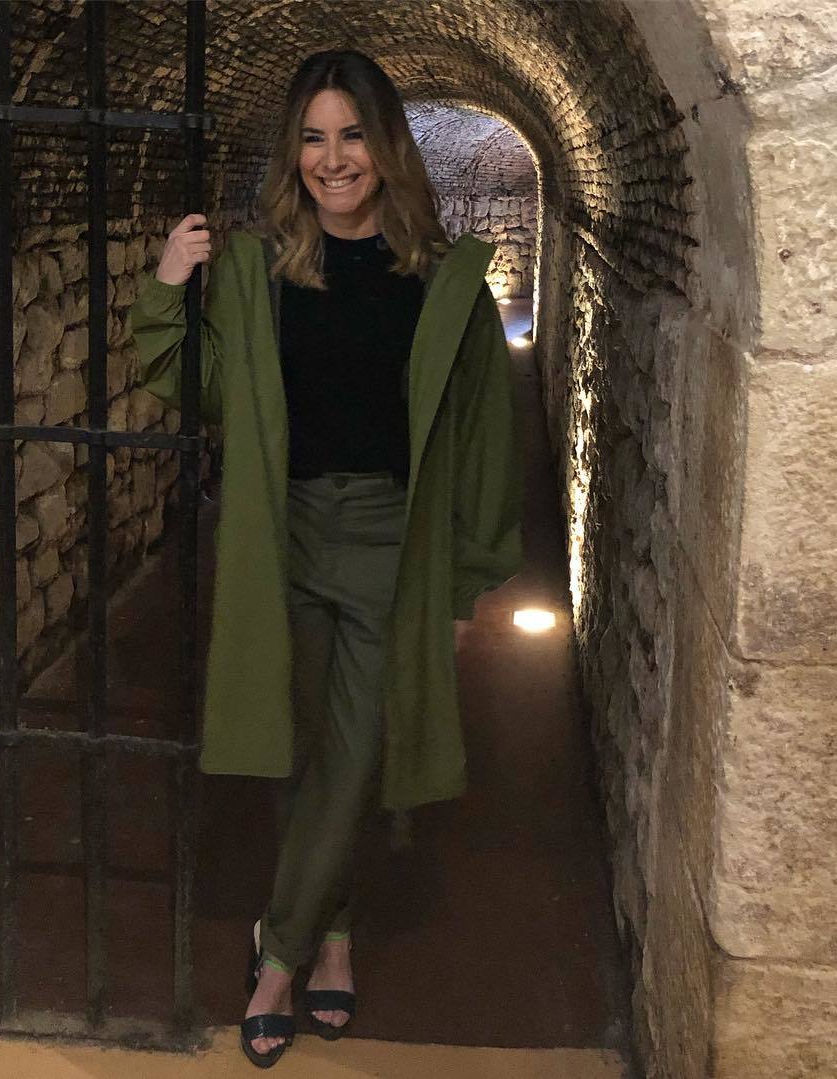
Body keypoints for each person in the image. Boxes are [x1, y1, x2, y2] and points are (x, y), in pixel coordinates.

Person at [130, 48, 522, 1069]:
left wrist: (466, 575)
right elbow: (199, 386)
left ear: (387, 146)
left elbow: (484, 430)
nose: (333, 158)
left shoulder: (443, 280)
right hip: (283, 535)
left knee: (357, 748)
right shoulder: (259, 270)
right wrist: (169, 285)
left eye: (352, 135)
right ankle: (335, 930)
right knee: (303, 745)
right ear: (292, 152)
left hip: (394, 542)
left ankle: (279, 953)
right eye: (313, 137)